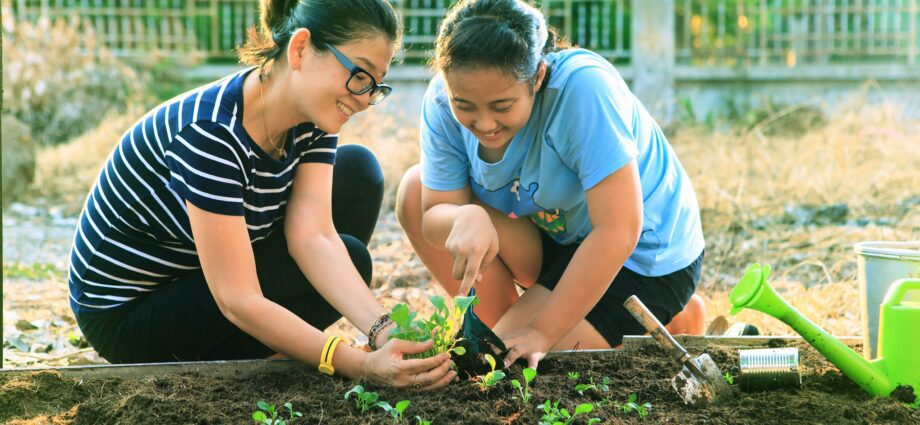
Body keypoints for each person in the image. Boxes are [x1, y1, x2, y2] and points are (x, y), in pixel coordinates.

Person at [68, 0, 454, 390]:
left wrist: (382, 328)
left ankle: (272, 347)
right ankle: (266, 352)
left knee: (357, 175)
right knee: (351, 257)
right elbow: (238, 298)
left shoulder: (312, 118)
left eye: (375, 85)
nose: (364, 98)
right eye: (359, 75)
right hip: (131, 316)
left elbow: (314, 236)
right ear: (301, 48)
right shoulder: (211, 133)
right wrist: (358, 364)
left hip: (200, 275)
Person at [396, 0, 706, 370]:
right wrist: (463, 217)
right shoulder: (441, 102)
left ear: (538, 77)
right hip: (559, 237)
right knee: (415, 190)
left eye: (501, 105)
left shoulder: (584, 90)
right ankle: (512, 326)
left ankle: (671, 319)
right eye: (464, 104)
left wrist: (542, 332)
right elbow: (431, 213)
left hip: (642, 255)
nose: (483, 122)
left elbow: (619, 229)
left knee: (515, 359)